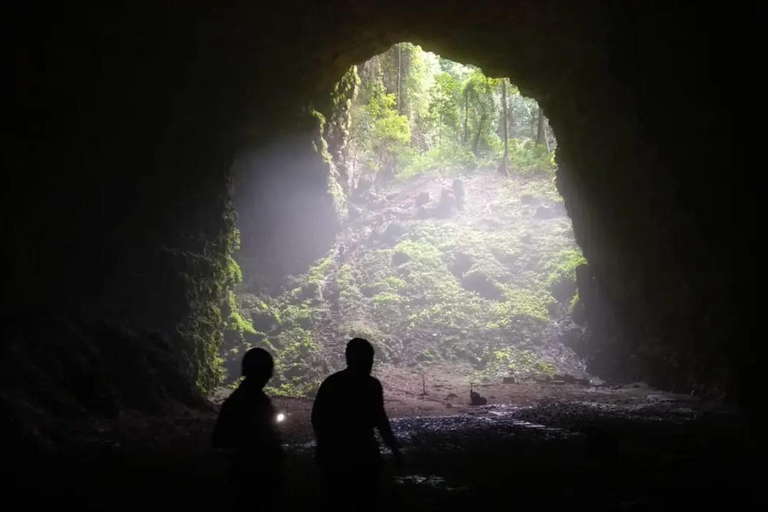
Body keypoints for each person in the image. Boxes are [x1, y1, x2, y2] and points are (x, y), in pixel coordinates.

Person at [312, 338, 402, 511]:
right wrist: (395, 451)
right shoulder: (372, 385)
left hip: (336, 456)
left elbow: (317, 418)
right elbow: (381, 421)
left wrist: (325, 448)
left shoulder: (332, 383)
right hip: (364, 454)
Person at [212, 348, 282, 510]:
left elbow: (218, 439)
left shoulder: (237, 400)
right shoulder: (256, 402)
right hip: (254, 475)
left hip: (243, 474)